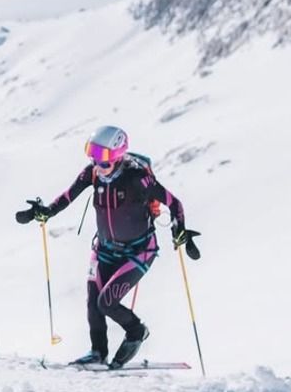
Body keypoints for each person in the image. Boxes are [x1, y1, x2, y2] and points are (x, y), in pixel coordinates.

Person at [15, 126, 201, 369]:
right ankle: (98, 353)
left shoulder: (137, 178)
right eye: (91, 154)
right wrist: (45, 212)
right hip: (104, 249)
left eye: (102, 157)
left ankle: (136, 332)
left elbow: (174, 203)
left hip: (138, 252)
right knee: (93, 303)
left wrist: (180, 229)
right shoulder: (93, 174)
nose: (96, 162)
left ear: (117, 155)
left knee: (107, 302)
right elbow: (68, 196)